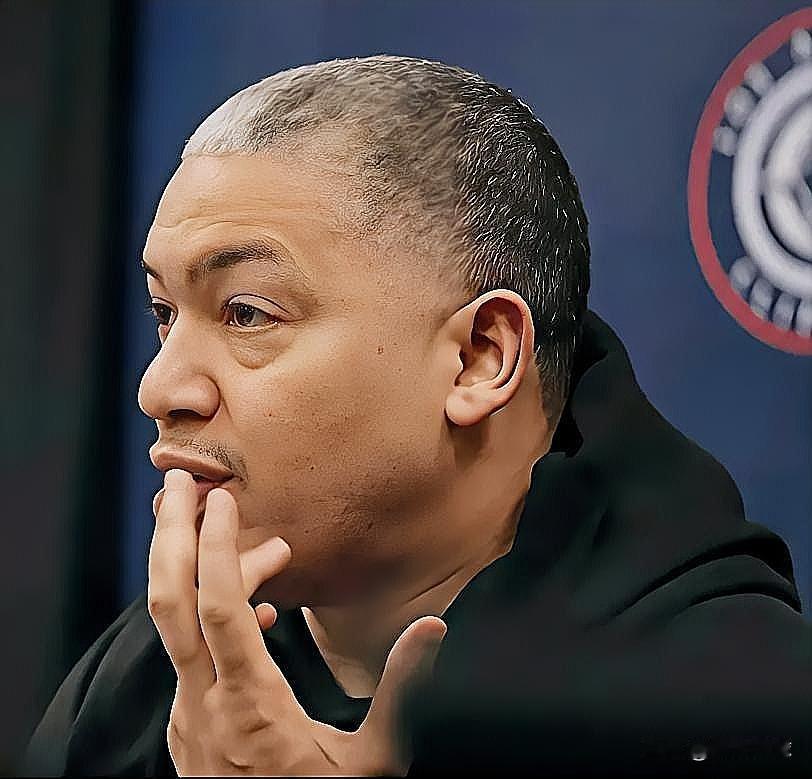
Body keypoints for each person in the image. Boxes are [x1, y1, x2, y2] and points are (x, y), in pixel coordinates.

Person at [19, 55, 810, 777]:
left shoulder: (730, 709)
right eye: (164, 312)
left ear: (478, 358)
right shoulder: (136, 689)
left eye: (247, 312)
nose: (159, 388)